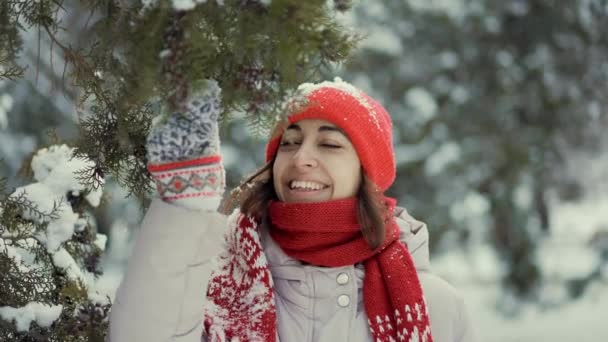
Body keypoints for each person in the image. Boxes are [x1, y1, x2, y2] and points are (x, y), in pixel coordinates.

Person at [108, 78, 477, 342]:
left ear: (368, 173)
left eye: (329, 144)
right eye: (289, 142)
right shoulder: (216, 272)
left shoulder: (434, 306)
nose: (301, 158)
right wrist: (183, 208)